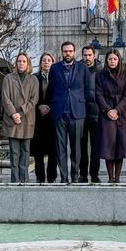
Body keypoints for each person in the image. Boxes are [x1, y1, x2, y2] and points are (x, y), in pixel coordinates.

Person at [47, 41, 92, 184]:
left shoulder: (82, 68)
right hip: (59, 112)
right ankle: (64, 177)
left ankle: (75, 176)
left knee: (76, 148)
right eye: (65, 51)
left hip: (77, 112)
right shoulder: (54, 68)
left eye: (70, 51)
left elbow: (87, 89)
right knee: (60, 147)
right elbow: (51, 89)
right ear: (62, 52)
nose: (68, 53)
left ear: (74, 52)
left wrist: (80, 103)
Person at [95, 49, 126, 183]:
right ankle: (110, 177)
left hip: (121, 114)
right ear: (106, 60)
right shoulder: (100, 75)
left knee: (120, 146)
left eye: (115, 59)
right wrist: (107, 110)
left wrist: (117, 110)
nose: (112, 61)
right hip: (106, 114)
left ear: (119, 60)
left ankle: (117, 177)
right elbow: (98, 94)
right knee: (108, 146)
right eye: (110, 59)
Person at [1, 52, 38, 183]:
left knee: (25, 151)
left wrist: (20, 113)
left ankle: (24, 180)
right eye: (19, 61)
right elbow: (5, 98)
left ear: (28, 64)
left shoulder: (33, 80)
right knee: (14, 152)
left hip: (26, 119)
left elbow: (34, 100)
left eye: (24, 61)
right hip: (12, 120)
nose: (21, 63)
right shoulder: (8, 78)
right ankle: (15, 180)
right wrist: (13, 114)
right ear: (16, 63)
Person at [32, 53, 58, 184]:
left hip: (53, 117)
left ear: (53, 62)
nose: (46, 62)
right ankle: (40, 176)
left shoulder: (57, 77)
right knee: (38, 149)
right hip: (38, 117)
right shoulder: (34, 78)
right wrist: (39, 106)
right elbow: (30, 96)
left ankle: (52, 176)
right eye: (44, 60)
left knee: (54, 149)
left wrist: (50, 107)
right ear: (40, 63)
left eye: (49, 60)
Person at [78, 45, 102, 183]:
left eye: (89, 55)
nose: (87, 57)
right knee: (81, 148)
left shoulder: (101, 71)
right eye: (85, 55)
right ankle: (82, 174)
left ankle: (94, 174)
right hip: (80, 113)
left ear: (94, 55)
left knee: (96, 148)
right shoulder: (77, 70)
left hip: (97, 113)